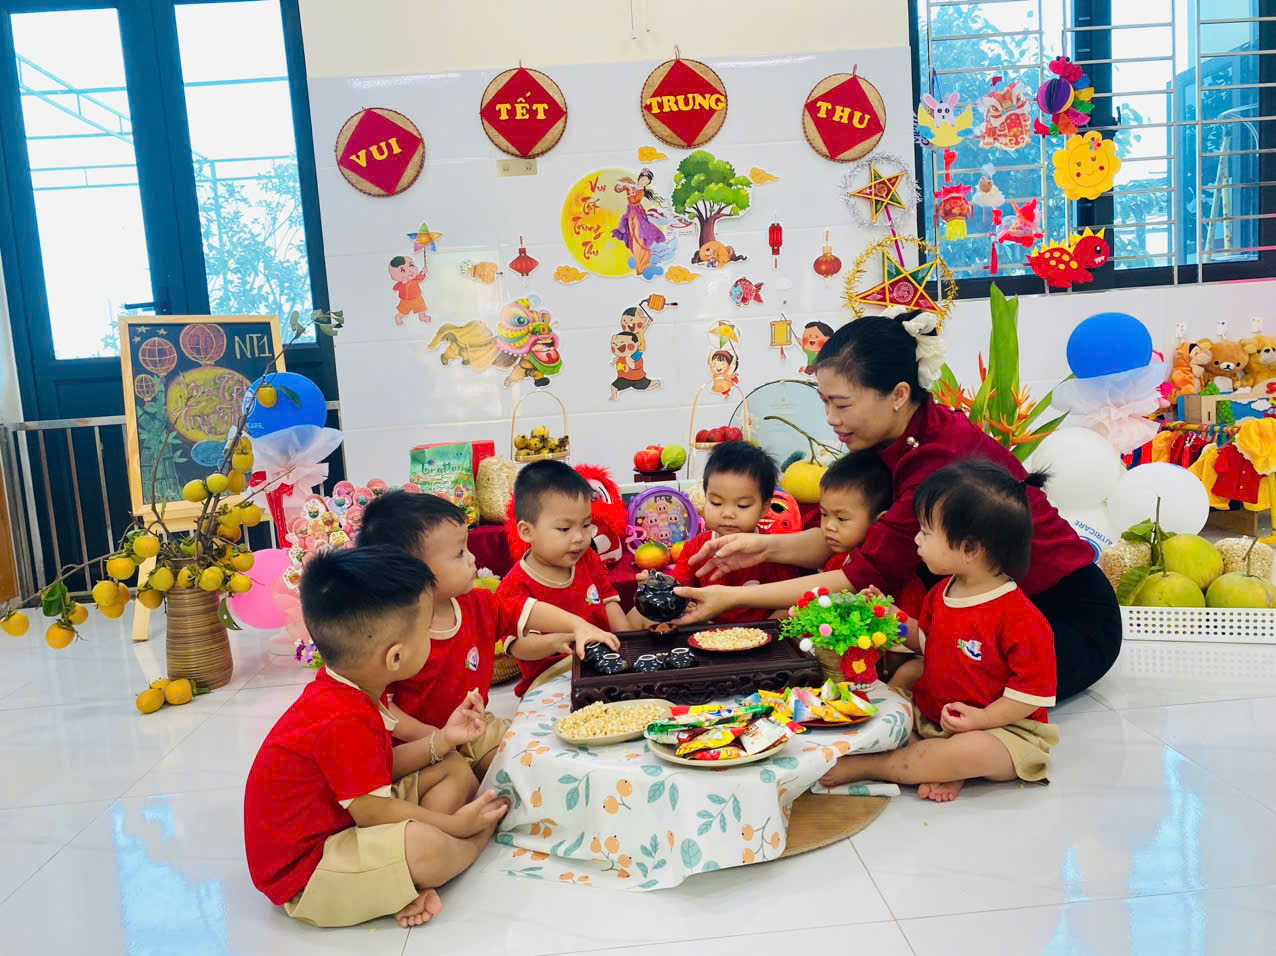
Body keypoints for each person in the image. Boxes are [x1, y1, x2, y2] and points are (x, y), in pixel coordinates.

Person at [673, 312, 1121, 699]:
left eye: (842, 404)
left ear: (899, 394)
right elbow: (849, 538)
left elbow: (860, 574)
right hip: (986, 614)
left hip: (1062, 619)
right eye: (825, 402)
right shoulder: (893, 438)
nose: (831, 419)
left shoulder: (939, 458)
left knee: (936, 689)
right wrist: (760, 548)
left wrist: (732, 597)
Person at [244, 547, 508, 929]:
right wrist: (456, 826)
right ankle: (472, 840)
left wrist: (443, 740)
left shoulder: (351, 686)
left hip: (345, 817)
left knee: (451, 767)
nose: (431, 639)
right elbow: (373, 813)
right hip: (309, 869)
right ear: (395, 658)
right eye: (426, 631)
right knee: (426, 847)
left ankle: (401, 880)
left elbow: (377, 769)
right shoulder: (342, 716)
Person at [820, 459, 1059, 802]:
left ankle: (876, 766)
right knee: (891, 702)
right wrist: (892, 618)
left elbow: (1027, 697)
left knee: (972, 751)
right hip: (935, 716)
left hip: (1003, 729)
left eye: (926, 532)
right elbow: (927, 643)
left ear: (970, 548)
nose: (917, 539)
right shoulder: (941, 592)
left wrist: (982, 719)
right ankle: (940, 766)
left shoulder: (1021, 618)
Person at [358, 491, 620, 775]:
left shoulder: (477, 604)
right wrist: (440, 738)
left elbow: (524, 609)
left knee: (523, 764)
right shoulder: (390, 633)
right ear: (412, 571)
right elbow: (384, 708)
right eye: (460, 553)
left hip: (476, 726)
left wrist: (577, 625)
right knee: (457, 785)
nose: (472, 558)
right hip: (418, 744)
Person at [499, 461, 631, 694]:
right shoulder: (515, 585)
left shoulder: (588, 559)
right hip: (550, 681)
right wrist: (557, 641)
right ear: (527, 531)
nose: (580, 537)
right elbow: (517, 646)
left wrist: (628, 644)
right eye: (564, 529)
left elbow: (608, 601)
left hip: (601, 667)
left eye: (586, 525)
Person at [650, 441, 792, 626]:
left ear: (764, 508)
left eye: (742, 505)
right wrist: (659, 588)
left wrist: (766, 630)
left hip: (762, 635)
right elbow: (678, 593)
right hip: (706, 633)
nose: (727, 513)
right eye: (716, 503)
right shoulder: (695, 549)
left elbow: (788, 603)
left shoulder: (774, 550)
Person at [818, 450, 927, 621]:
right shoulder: (836, 562)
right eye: (824, 514)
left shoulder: (908, 590)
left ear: (880, 521)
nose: (828, 526)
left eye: (841, 518)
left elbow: (903, 633)